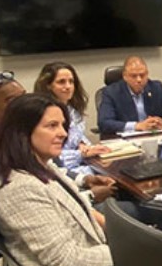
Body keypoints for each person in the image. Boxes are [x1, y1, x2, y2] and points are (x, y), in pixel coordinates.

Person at [0, 93, 119, 266]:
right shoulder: (20, 188)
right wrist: (128, 250)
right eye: (52, 126)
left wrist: (133, 238)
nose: (63, 133)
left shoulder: (42, 167)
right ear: (22, 132)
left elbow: (78, 209)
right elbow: (68, 262)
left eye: (62, 125)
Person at [33, 62, 117, 203]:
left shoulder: (73, 110)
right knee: (115, 184)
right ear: (48, 86)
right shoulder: (43, 114)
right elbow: (52, 158)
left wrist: (84, 143)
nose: (68, 86)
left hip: (82, 169)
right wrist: (81, 154)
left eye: (71, 82)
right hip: (65, 174)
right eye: (61, 82)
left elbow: (78, 135)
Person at [97, 56, 162, 134]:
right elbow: (104, 123)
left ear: (147, 74)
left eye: (142, 75)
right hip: (127, 140)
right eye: (133, 76)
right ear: (125, 76)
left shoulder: (156, 88)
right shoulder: (111, 92)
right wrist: (137, 126)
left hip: (154, 136)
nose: (139, 80)